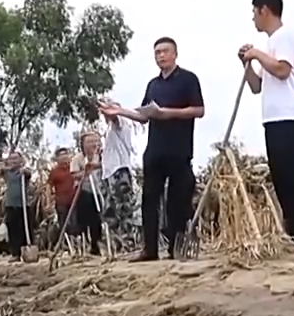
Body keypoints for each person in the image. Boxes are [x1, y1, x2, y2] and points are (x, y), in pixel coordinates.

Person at [99, 37, 204, 261]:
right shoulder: (153, 85)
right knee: (149, 200)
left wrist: (167, 113)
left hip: (180, 149)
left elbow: (198, 110)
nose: (161, 56)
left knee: (178, 200)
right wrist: (118, 111)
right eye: (157, 53)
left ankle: (176, 247)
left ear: (175, 53)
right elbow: (143, 116)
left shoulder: (188, 79)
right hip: (154, 150)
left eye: (165, 51)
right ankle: (150, 249)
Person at [239, 0, 294, 243]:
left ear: (264, 10)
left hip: (291, 117)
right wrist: (247, 64)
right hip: (273, 118)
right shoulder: (272, 43)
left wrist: (257, 54)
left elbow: (282, 70)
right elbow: (257, 86)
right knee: (281, 174)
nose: (253, 19)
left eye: (254, 13)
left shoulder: (286, 37)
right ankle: (291, 228)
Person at [101, 112, 139, 252]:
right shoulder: (110, 130)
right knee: (111, 212)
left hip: (119, 171)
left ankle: (128, 244)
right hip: (110, 173)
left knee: (123, 210)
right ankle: (116, 245)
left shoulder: (121, 123)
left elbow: (115, 117)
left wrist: (107, 107)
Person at [0, 150, 36, 259]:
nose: (13, 161)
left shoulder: (23, 172)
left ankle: (28, 252)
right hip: (11, 205)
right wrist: (2, 160)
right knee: (13, 230)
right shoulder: (7, 173)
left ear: (21, 160)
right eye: (11, 159)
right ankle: (15, 254)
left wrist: (22, 171)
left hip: (23, 205)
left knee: (26, 228)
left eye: (16, 158)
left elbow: (28, 173)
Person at [70, 132, 105, 256]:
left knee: (99, 219)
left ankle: (98, 245)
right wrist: (86, 171)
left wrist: (96, 165)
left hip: (102, 191)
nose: (94, 144)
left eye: (96, 141)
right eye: (89, 142)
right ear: (83, 145)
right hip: (85, 191)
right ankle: (84, 245)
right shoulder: (78, 159)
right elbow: (74, 175)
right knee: (84, 220)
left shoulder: (104, 156)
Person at [47, 146, 79, 244]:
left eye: (66, 154)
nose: (64, 157)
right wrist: (48, 202)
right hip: (61, 202)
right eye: (61, 155)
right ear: (57, 158)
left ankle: (78, 243)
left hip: (75, 200)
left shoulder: (74, 167)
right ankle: (66, 244)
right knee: (63, 223)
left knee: (75, 222)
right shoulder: (54, 171)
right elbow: (49, 186)